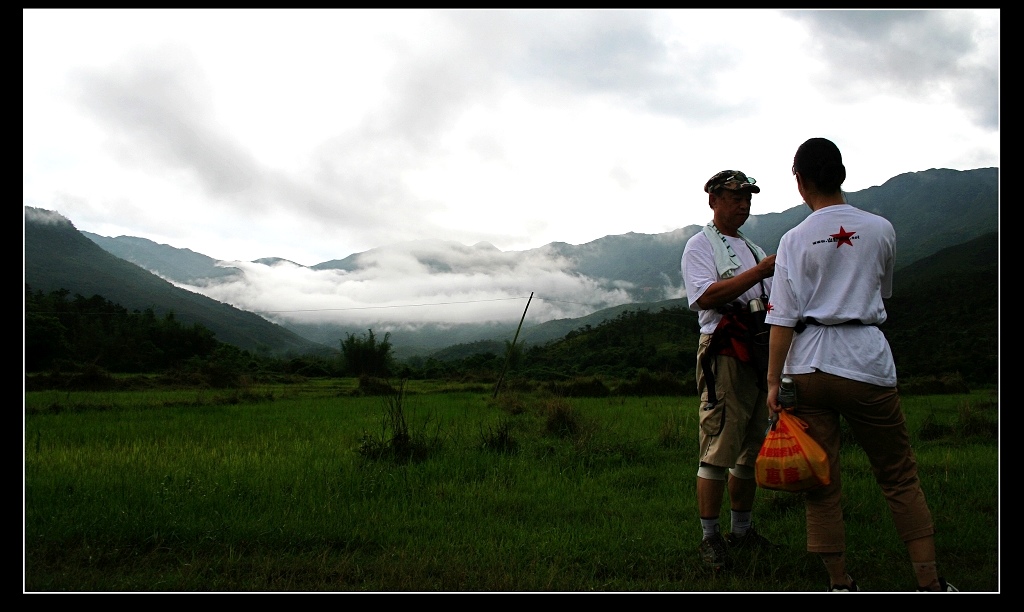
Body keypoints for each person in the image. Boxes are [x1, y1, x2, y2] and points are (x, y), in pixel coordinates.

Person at [764, 137, 957, 592]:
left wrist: (774, 382)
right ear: (842, 175)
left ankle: (839, 584)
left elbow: (782, 316)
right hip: (866, 360)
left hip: (808, 365)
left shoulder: (792, 239)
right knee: (898, 474)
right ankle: (930, 582)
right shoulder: (881, 228)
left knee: (821, 478)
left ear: (800, 180)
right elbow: (879, 291)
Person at [682, 169, 778, 570]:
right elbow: (705, 296)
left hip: (758, 346)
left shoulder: (753, 247)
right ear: (713, 200)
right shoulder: (700, 245)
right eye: (735, 196)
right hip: (724, 347)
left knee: (751, 446)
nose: (744, 204)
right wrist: (758, 273)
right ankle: (709, 538)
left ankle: (742, 530)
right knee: (719, 443)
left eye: (748, 198)